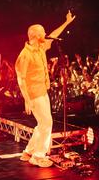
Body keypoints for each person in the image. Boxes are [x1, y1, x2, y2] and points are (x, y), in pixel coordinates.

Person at [16, 10, 76, 168]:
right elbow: (20, 79)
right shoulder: (25, 55)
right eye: (43, 32)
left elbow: (54, 34)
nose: (46, 33)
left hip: (42, 90)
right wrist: (27, 100)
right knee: (47, 122)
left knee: (43, 123)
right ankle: (38, 156)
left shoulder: (40, 47)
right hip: (34, 94)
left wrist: (67, 22)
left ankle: (28, 151)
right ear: (35, 35)